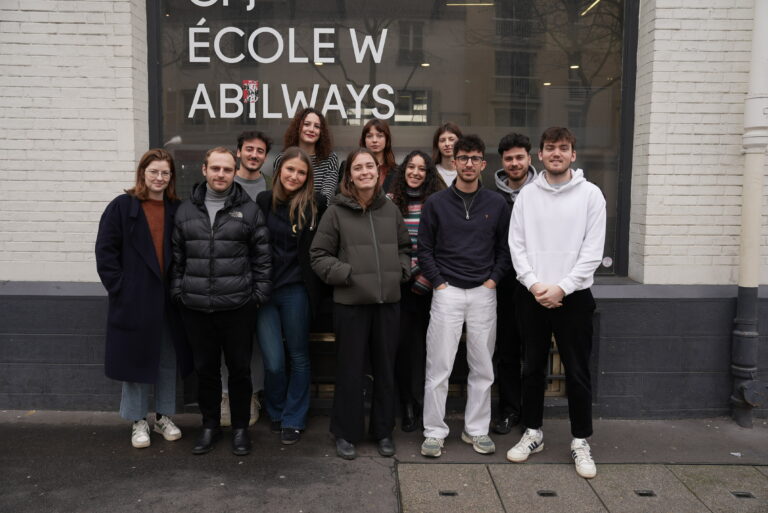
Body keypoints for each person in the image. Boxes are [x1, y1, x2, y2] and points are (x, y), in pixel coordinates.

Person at [506, 127, 606, 479]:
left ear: (573, 155)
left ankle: (580, 440)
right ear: (541, 154)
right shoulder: (527, 196)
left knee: (577, 371)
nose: (556, 153)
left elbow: (592, 252)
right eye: (550, 148)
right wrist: (535, 284)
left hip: (574, 297)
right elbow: (516, 245)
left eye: (563, 148)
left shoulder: (591, 195)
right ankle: (533, 432)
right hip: (532, 295)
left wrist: (562, 288)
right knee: (532, 368)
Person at [310, 148, 411, 460]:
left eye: (370, 166)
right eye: (358, 167)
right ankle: (345, 432)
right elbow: (318, 255)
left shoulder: (390, 209)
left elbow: (405, 247)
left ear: (377, 172)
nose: (365, 171)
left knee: (385, 370)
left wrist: (400, 271)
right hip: (351, 304)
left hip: (387, 303)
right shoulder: (335, 211)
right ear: (349, 176)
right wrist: (347, 274)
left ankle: (383, 431)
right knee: (350, 371)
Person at [171, 147, 271, 456]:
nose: (221, 174)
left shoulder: (250, 210)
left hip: (238, 307)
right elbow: (177, 259)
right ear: (204, 170)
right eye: (215, 168)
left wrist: (256, 297)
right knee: (206, 371)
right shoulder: (185, 210)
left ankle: (240, 428)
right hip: (196, 307)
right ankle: (210, 426)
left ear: (234, 172)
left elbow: (263, 259)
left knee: (239, 370)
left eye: (227, 169)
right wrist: (179, 292)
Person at [417, 135, 511, 458]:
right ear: (453, 162)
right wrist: (439, 283)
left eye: (474, 158)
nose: (468, 164)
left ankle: (477, 430)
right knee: (439, 366)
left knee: (482, 366)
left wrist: (492, 281)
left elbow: (505, 249)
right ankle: (434, 431)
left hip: (484, 292)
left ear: (483, 164)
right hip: (448, 292)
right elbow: (424, 249)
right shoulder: (436, 203)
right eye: (463, 158)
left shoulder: (496, 204)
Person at [95, 148, 192, 449]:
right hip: (135, 298)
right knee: (135, 361)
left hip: (168, 300)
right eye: (154, 172)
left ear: (171, 177)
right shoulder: (122, 207)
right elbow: (105, 252)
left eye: (165, 173)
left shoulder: (177, 209)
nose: (159, 178)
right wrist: (121, 289)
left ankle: (163, 416)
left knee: (167, 359)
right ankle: (138, 420)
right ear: (142, 173)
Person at [255, 147, 328, 445]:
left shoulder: (316, 204)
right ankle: (276, 409)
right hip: (265, 291)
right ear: (279, 171)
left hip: (297, 290)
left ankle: (294, 417)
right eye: (290, 170)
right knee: (273, 361)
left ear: (308, 177)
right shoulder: (263, 201)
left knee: (298, 355)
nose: (295, 176)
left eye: (301, 172)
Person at [218, 130, 274, 429]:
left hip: (260, 274)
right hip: (227, 274)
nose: (254, 155)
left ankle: (252, 394)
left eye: (260, 151)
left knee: (256, 340)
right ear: (238, 152)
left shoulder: (272, 186)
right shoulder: (225, 182)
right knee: (229, 339)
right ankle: (227, 395)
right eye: (249, 149)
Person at [387, 150, 445, 432]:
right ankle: (406, 403)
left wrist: (425, 279)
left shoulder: (437, 202)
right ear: (403, 170)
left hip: (427, 287)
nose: (416, 173)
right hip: (398, 285)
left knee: (425, 348)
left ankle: (423, 402)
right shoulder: (390, 201)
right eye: (411, 167)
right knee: (400, 347)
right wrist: (403, 273)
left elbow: (442, 244)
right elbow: (386, 244)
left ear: (429, 174)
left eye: (422, 169)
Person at [491, 133, 538, 435]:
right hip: (505, 285)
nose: (514, 163)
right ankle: (509, 410)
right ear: (502, 162)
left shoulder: (543, 192)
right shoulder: (493, 197)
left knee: (533, 354)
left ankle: (533, 416)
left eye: (519, 157)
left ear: (529, 159)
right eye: (509, 158)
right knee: (507, 352)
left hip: (537, 285)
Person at [274, 107, 339, 204]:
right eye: (306, 124)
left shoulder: (330, 158)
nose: (311, 129)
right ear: (297, 127)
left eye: (317, 126)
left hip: (319, 211)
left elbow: (326, 198)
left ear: (321, 132)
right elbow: (279, 193)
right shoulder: (283, 158)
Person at [359, 119, 397, 192]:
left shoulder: (397, 171)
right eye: (369, 136)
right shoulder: (351, 167)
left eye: (380, 136)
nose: (374, 140)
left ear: (387, 139)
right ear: (364, 140)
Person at [431, 122, 462, 187]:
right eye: (442, 140)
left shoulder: (470, 171)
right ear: (437, 145)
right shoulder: (430, 172)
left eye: (451, 139)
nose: (447, 144)